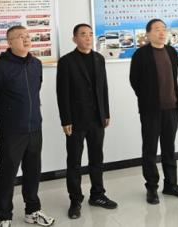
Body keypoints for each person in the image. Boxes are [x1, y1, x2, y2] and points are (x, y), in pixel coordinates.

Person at [0, 26, 55, 227]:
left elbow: (36, 90)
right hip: (12, 131)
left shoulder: (36, 64)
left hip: (35, 127)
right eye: (20, 36)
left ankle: (32, 211)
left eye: (27, 36)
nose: (26, 39)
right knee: (8, 173)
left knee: (33, 171)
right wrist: (7, 118)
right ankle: (4, 216)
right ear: (9, 42)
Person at [56, 23, 117, 219]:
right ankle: (75, 200)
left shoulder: (99, 58)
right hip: (75, 120)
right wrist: (65, 119)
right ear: (74, 39)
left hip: (97, 118)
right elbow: (62, 93)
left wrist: (105, 112)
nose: (88, 37)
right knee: (74, 162)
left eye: (90, 34)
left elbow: (103, 88)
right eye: (83, 34)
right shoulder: (66, 61)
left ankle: (97, 195)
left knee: (96, 159)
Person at [129, 19, 178, 205]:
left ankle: (171, 184)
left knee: (169, 148)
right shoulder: (141, 54)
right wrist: (148, 99)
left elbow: (173, 78)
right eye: (157, 29)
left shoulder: (171, 52)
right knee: (150, 149)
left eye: (164, 29)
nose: (162, 32)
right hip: (151, 111)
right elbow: (134, 81)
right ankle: (152, 188)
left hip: (172, 108)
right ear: (148, 34)